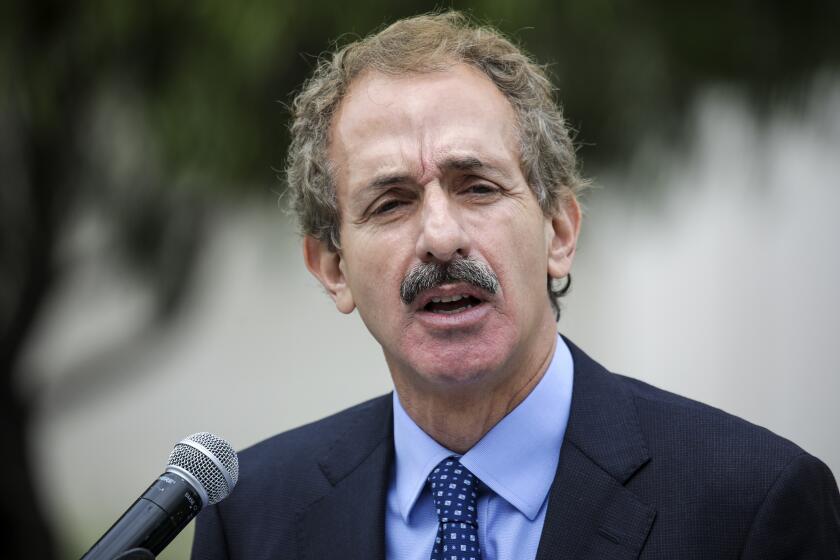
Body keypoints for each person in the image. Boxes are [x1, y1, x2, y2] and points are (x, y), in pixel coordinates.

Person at [191, 11, 840, 559]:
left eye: (477, 187)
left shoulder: (751, 506)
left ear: (558, 232)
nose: (440, 237)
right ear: (332, 268)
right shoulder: (253, 517)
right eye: (390, 203)